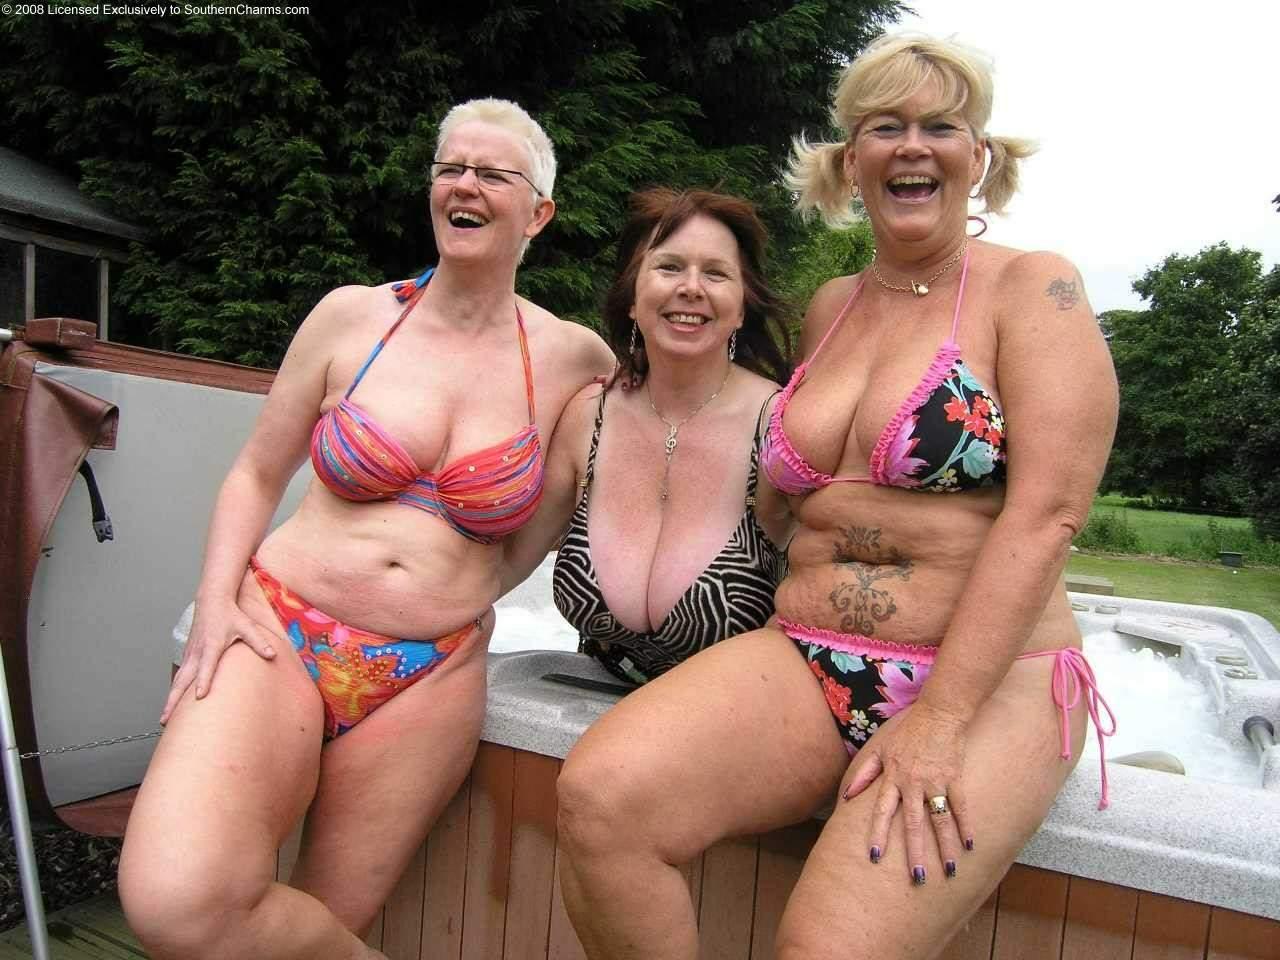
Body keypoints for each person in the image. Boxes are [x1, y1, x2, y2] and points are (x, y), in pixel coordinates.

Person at [553, 33, 1119, 960]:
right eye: (884, 126)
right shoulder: (832, 304)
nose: (912, 146)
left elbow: (1049, 514)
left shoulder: (1034, 288)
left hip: (989, 683)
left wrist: (942, 718)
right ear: (851, 160)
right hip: (806, 655)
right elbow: (787, 490)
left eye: (941, 127)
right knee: (600, 802)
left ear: (978, 155)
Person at [118, 98, 614, 960]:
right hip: (279, 628)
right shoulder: (353, 316)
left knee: (322, 928)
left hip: (428, 673)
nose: (464, 184)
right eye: (450, 168)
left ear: (539, 214)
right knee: (176, 905)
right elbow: (255, 473)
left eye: (492, 174)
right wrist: (214, 600)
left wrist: (469, 590)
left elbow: (588, 489)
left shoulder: (575, 357)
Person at [503, 188, 793, 683]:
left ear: (743, 307)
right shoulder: (587, 417)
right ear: (632, 299)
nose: (691, 288)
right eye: (669, 267)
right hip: (584, 697)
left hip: (736, 707)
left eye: (716, 273)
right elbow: (508, 562)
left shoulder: (782, 428)